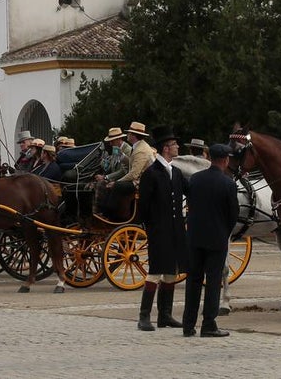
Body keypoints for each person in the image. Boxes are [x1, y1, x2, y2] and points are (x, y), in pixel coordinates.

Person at [181, 143, 239, 338]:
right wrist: (224, 232)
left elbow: (190, 204)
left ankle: (188, 324)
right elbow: (233, 215)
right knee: (213, 282)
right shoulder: (229, 184)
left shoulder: (195, 179)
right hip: (217, 238)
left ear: (210, 158)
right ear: (226, 160)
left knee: (193, 280)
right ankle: (208, 324)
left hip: (195, 237)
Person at [136, 126, 187, 332]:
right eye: (174, 144)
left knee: (171, 273)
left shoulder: (176, 172)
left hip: (176, 229)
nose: (177, 147)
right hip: (159, 230)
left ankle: (165, 315)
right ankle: (144, 316)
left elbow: (190, 190)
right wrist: (152, 230)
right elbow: (144, 207)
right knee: (155, 272)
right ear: (166, 148)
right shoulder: (151, 174)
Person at [102, 122, 154, 217]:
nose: (127, 135)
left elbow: (134, 174)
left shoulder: (141, 150)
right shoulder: (138, 147)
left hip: (143, 182)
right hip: (140, 180)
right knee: (115, 185)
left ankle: (109, 214)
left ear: (134, 136)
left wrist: (117, 182)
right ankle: (108, 213)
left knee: (117, 186)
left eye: (129, 133)